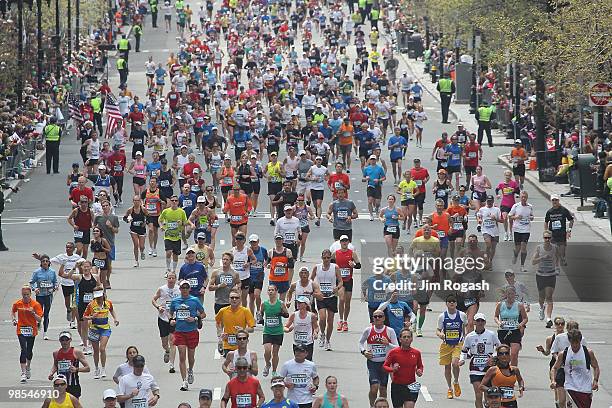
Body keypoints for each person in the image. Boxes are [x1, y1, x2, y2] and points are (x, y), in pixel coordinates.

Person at [170, 279, 206, 391]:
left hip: (192, 331)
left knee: (191, 356)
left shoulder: (194, 300)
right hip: (179, 331)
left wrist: (195, 318)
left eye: (186, 287)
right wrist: (172, 320)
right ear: (179, 289)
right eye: (182, 287)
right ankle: (184, 381)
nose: (184, 289)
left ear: (189, 289)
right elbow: (171, 313)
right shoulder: (175, 301)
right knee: (181, 355)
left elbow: (203, 314)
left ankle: (190, 370)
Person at [460, 313, 501, 408]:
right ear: (474, 322)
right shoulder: (469, 336)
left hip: (489, 368)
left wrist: (493, 356)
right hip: (475, 368)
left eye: (482, 321)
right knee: (478, 394)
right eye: (478, 320)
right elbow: (464, 351)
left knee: (489, 394)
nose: (480, 323)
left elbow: (499, 347)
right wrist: (462, 360)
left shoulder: (491, 334)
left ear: (485, 322)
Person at [358, 309, 398, 406]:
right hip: (372, 363)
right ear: (372, 318)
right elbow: (360, 343)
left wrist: (387, 343)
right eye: (375, 316)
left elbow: (397, 347)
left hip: (385, 363)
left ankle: (383, 406)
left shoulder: (389, 331)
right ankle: (372, 406)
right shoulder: (368, 330)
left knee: (383, 388)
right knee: (374, 387)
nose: (377, 318)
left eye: (380, 316)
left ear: (384, 318)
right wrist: (364, 352)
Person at [551, 329, 599, 408]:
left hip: (585, 389)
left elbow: (596, 367)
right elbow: (555, 368)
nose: (575, 345)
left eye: (577, 342)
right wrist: (553, 381)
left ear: (580, 341)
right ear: (569, 341)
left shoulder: (588, 352)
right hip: (570, 388)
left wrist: (595, 380)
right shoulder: (563, 354)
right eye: (573, 342)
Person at [437, 294, 468, 399]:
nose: (451, 303)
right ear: (446, 304)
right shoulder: (442, 316)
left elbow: (465, 328)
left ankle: (456, 381)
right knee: (447, 367)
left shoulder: (462, 315)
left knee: (455, 363)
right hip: (446, 344)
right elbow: (438, 330)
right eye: (449, 301)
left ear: (456, 303)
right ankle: (449, 388)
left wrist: (465, 340)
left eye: (453, 301)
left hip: (458, 344)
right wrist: (440, 334)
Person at [383, 328, 424, 408]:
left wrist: (419, 371)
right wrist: (393, 369)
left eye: (408, 337)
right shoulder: (394, 352)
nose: (406, 339)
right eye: (404, 337)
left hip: (411, 385)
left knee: (410, 406)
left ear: (411, 339)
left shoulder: (416, 353)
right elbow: (385, 366)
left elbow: (420, 366)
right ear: (400, 339)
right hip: (397, 386)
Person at [84, 286, 119, 379]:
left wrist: (115, 319)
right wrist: (91, 317)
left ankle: (103, 368)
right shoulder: (91, 305)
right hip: (94, 329)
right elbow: (84, 316)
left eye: (100, 295)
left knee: (102, 349)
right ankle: (96, 368)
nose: (99, 298)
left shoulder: (108, 303)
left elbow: (112, 310)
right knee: (95, 351)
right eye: (97, 296)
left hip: (105, 329)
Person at [311, 249, 342, 351]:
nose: (326, 260)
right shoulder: (317, 267)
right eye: (324, 258)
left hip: (332, 297)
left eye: (328, 258)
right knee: (322, 318)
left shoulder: (335, 267)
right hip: (321, 297)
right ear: (322, 258)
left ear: (331, 258)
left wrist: (337, 288)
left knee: (330, 321)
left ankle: (328, 341)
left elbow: (341, 282)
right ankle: (322, 334)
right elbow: (310, 280)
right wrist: (314, 291)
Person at [12, 284, 43, 383]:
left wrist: (33, 313)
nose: (25, 296)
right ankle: (23, 372)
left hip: (31, 329)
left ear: (30, 294)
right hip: (21, 329)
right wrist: (14, 319)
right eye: (23, 294)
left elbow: (39, 319)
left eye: (27, 294)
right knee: (23, 349)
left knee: (29, 350)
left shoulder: (35, 305)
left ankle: (28, 366)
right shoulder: (18, 303)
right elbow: (13, 311)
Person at [152, 272, 181, 371]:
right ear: (167, 279)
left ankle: (172, 365)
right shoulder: (162, 289)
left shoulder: (179, 289)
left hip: (174, 317)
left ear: (176, 279)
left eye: (173, 278)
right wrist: (158, 307)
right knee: (164, 343)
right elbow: (154, 299)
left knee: (172, 341)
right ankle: (167, 350)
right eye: (169, 278)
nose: (171, 280)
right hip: (163, 317)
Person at [331, 235, 361, 331]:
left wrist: (354, 265)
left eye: (346, 241)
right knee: (342, 299)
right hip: (340, 281)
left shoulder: (352, 254)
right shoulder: (335, 254)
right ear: (340, 243)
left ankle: (345, 321)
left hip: (348, 280)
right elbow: (330, 265)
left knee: (347, 302)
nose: (344, 243)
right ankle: (340, 320)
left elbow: (359, 265)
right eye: (342, 241)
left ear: (348, 242)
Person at [48, 331, 90, 399]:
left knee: (74, 404)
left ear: (70, 340)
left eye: (66, 340)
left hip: (73, 384)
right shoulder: (56, 353)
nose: (64, 342)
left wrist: (76, 369)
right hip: (60, 384)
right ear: (60, 341)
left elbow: (87, 368)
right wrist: (51, 373)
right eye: (62, 340)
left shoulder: (76, 352)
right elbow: (55, 365)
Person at [532, 230, 560, 328]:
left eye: (549, 238)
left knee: (549, 296)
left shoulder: (555, 248)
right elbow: (533, 262)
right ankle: (541, 307)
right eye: (545, 238)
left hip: (551, 274)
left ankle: (548, 319)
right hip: (540, 275)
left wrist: (557, 268)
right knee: (541, 297)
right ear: (543, 238)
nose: (547, 240)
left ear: (551, 238)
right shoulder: (539, 248)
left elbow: (557, 258)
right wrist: (542, 258)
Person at [494, 286, 528, 367]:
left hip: (515, 331)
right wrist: (499, 323)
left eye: (512, 294)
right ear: (506, 294)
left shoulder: (519, 305)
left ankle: (513, 371)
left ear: (515, 294)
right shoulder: (500, 304)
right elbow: (495, 316)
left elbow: (525, 318)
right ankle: (502, 371)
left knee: (514, 354)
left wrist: (521, 324)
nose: (510, 295)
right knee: (503, 354)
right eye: (508, 293)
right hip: (503, 331)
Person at [215, 289, 255, 357]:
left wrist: (243, 330)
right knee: (229, 365)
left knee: (240, 365)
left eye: (236, 298)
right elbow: (217, 322)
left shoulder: (245, 311)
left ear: (240, 300)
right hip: (227, 344)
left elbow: (252, 329)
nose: (234, 299)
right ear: (229, 299)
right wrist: (220, 334)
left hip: (241, 344)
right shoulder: (223, 311)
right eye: (232, 298)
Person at [159, 194, 192, 274]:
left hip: (177, 237)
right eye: (172, 200)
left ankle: (173, 270)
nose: (174, 202)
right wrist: (161, 226)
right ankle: (168, 269)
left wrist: (181, 223)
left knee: (175, 255)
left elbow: (186, 223)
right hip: (168, 236)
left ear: (178, 202)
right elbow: (160, 220)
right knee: (168, 252)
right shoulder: (166, 211)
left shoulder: (181, 212)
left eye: (176, 201)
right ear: (170, 201)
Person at [262, 285, 290, 377]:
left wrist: (282, 313)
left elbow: (287, 314)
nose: (270, 292)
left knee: (275, 353)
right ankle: (267, 364)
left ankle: (274, 371)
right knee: (267, 350)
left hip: (278, 332)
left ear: (276, 291)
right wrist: (260, 319)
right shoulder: (264, 304)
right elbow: (260, 314)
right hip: (267, 331)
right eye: (269, 290)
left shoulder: (280, 303)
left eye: (272, 290)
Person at [30, 254, 58, 340]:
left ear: (49, 262)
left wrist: (55, 287)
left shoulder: (52, 272)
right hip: (40, 295)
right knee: (39, 313)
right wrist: (35, 289)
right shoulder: (37, 272)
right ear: (41, 263)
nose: (45, 263)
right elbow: (32, 282)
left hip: (48, 295)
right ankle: (38, 323)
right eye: (43, 261)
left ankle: (45, 332)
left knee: (46, 313)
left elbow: (55, 282)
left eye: (46, 261)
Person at [544, 194, 574, 266]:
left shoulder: (564, 210)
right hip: (553, 235)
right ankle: (556, 267)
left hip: (562, 235)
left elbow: (571, 220)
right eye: (553, 200)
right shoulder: (549, 212)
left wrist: (569, 231)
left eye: (556, 200)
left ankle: (562, 258)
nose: (554, 201)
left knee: (562, 252)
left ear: (558, 201)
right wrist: (546, 232)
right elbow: (546, 222)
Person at [508, 191, 534, 272]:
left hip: (526, 229)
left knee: (523, 247)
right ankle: (515, 254)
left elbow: (532, 216)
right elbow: (510, 216)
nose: (523, 198)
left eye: (525, 197)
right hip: (517, 229)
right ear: (520, 197)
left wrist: (531, 217)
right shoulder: (516, 206)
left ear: (527, 198)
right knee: (518, 248)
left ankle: (522, 265)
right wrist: (516, 217)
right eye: (522, 197)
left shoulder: (530, 206)